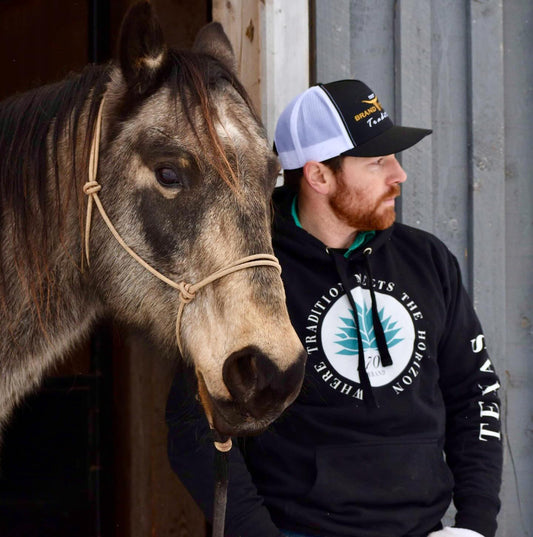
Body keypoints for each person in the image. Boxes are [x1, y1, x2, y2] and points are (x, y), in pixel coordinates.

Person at [166, 79, 503, 537]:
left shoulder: (427, 261)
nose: (399, 174)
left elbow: (475, 393)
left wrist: (475, 524)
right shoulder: (249, 276)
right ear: (319, 175)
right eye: (378, 161)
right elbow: (196, 427)